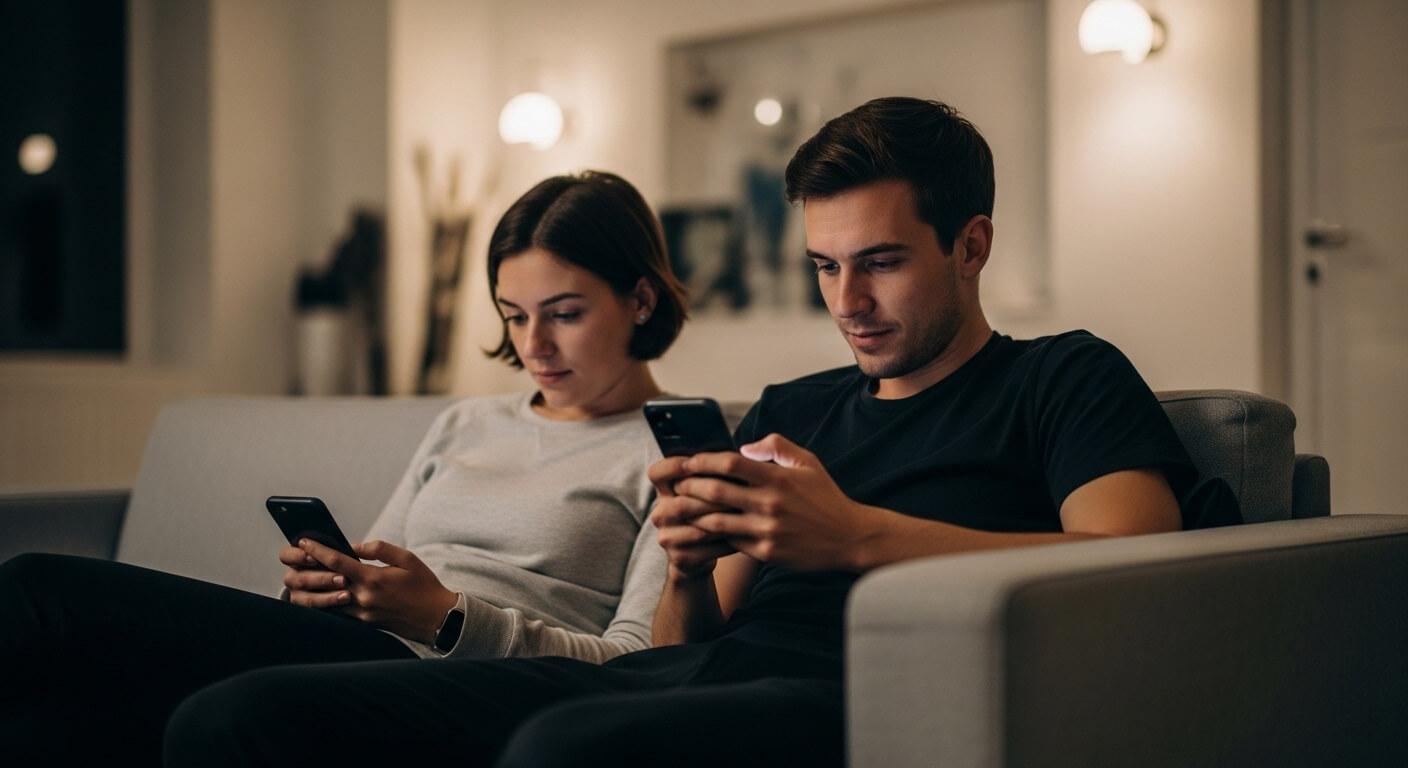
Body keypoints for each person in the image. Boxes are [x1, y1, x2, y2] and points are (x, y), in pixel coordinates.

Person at [161, 97, 1214, 768]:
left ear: (971, 243)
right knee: (238, 718)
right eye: (823, 265)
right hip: (688, 672)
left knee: (564, 748)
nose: (847, 299)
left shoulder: (1061, 376)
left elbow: (1133, 563)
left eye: (880, 261)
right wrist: (685, 567)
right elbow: (681, 645)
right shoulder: (793, 407)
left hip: (857, 686)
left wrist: (851, 536)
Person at [0, 170, 690, 764]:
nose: (534, 345)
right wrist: (330, 585)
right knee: (44, 667)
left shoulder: (672, 447)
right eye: (513, 317)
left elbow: (639, 665)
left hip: (455, 680)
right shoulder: (467, 422)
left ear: (640, 300)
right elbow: (376, 561)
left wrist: (449, 619)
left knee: (67, 613)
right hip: (349, 646)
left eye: (563, 314)